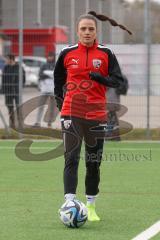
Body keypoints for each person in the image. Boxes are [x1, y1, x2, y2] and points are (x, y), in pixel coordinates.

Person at [54, 12, 131, 221]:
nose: (87, 32)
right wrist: (60, 101)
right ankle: (69, 202)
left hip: (97, 114)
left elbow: (119, 82)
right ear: (77, 31)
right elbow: (58, 77)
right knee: (71, 157)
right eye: (83, 29)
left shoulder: (106, 53)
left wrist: (101, 78)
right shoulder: (66, 53)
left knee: (93, 161)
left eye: (91, 29)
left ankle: (91, 205)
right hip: (71, 112)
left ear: (96, 31)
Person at [34, 52, 58, 128]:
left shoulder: (56, 65)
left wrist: (48, 74)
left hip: (53, 90)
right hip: (44, 90)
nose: (50, 58)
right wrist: (50, 75)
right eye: (49, 56)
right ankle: (37, 122)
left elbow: (58, 76)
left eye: (51, 56)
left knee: (52, 107)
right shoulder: (43, 65)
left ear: (53, 57)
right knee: (40, 106)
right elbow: (40, 75)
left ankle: (49, 122)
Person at [2, 54, 25, 129]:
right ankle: (12, 124)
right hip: (8, 91)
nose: (6, 61)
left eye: (7, 59)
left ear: (11, 59)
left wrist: (20, 87)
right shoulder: (6, 68)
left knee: (18, 107)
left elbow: (23, 79)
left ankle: (20, 124)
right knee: (10, 108)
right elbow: (3, 79)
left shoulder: (19, 67)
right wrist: (3, 89)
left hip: (17, 91)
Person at [106, 74, 129, 141]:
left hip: (108, 100)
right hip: (114, 100)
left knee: (110, 118)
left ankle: (109, 134)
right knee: (112, 118)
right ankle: (115, 136)